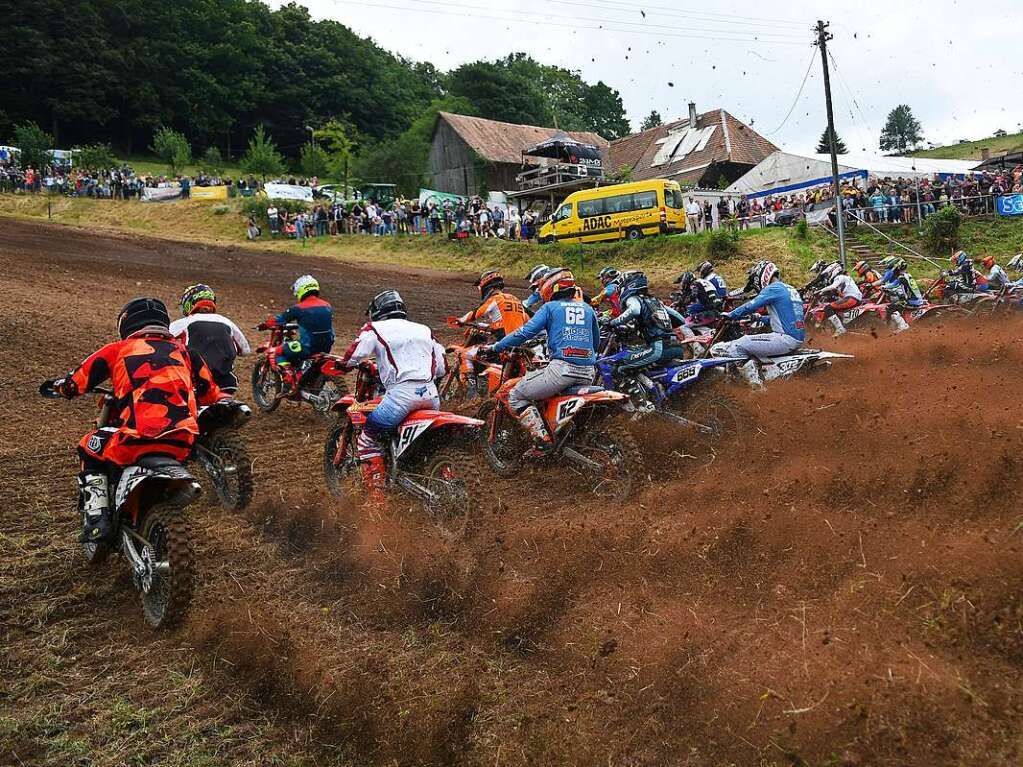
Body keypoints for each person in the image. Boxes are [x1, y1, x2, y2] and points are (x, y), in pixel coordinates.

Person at [52, 298, 225, 542]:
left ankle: (96, 519)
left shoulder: (117, 349)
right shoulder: (186, 352)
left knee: (89, 445)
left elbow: (75, 383)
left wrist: (61, 387)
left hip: (135, 439)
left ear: (126, 324)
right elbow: (209, 393)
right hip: (183, 441)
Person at [339, 290, 447, 500]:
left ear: (377, 312)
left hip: (400, 398)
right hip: (431, 396)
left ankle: (377, 502)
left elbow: (355, 355)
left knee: (368, 439)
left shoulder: (375, 328)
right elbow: (442, 367)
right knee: (425, 443)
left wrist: (342, 365)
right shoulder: (424, 329)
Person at [483, 268, 598, 452]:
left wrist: (496, 347)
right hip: (588, 373)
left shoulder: (550, 308)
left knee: (516, 395)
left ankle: (542, 440)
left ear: (550, 287)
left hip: (561, 372)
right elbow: (596, 342)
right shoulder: (588, 309)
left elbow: (524, 333)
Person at [711, 261, 805, 388]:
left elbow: (751, 305)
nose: (756, 286)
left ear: (763, 274)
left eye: (755, 282)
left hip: (785, 338)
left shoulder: (773, 288)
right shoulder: (789, 289)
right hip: (795, 338)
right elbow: (786, 318)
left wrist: (730, 314)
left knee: (738, 346)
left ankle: (757, 388)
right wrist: (760, 318)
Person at [170, 284, 251, 393]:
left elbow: (162, 337)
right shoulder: (226, 321)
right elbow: (245, 350)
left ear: (188, 304)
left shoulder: (185, 322)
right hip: (225, 381)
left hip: (196, 380)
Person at [259, 275, 335, 391]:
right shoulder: (327, 305)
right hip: (326, 347)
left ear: (301, 289)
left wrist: (265, 324)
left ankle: (289, 378)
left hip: (307, 347)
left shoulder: (298, 308)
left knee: (277, 351)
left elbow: (279, 320)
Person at [608, 271, 686, 374]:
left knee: (620, 367)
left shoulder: (633, 298)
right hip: (676, 347)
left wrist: (613, 322)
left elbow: (635, 310)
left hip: (659, 347)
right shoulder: (656, 301)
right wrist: (663, 325)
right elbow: (681, 319)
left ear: (628, 284)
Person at [815, 263, 862, 337]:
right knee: (836, 307)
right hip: (855, 298)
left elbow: (833, 286)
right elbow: (841, 294)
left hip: (851, 298)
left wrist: (821, 291)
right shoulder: (847, 278)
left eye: (828, 274)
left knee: (828, 308)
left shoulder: (840, 277)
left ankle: (840, 329)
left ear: (833, 271)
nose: (828, 276)